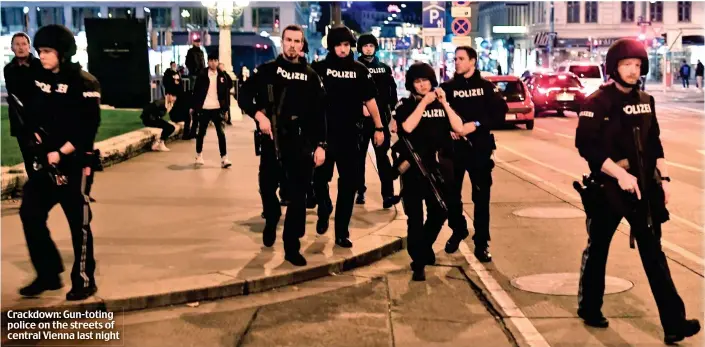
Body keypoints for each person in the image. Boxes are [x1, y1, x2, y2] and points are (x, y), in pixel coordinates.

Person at [575, 38, 700, 344]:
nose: (633, 71)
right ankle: (590, 307)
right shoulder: (597, 102)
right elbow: (586, 147)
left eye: (637, 65)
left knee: (654, 255)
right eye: (626, 65)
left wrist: (665, 179)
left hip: (643, 189)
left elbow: (654, 142)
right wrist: (618, 174)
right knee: (598, 250)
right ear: (613, 67)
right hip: (608, 189)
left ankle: (674, 323)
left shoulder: (646, 99)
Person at [19, 25, 101, 301]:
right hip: (46, 163)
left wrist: (62, 152)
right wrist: (37, 135)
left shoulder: (85, 82)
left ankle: (84, 279)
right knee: (29, 212)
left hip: (76, 163)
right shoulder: (38, 78)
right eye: (40, 51)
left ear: (62, 53)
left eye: (47, 51)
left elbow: (88, 129)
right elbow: (32, 114)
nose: (41, 56)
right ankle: (48, 273)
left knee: (78, 222)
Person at [238, 25, 326, 266]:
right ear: (282, 41)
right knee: (267, 187)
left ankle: (291, 247)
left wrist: (321, 145)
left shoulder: (310, 76)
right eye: (289, 40)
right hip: (271, 139)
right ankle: (272, 216)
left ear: (302, 44)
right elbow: (243, 95)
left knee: (298, 195)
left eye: (297, 41)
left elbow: (319, 114)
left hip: (300, 142)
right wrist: (259, 115)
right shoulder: (267, 71)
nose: (293, 45)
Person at [311, 26, 386, 248]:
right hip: (323, 136)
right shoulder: (319, 69)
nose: (343, 49)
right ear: (331, 46)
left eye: (346, 45)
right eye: (338, 45)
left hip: (351, 135)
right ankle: (324, 208)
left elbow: (371, 100)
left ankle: (341, 232)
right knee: (319, 180)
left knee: (348, 185)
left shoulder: (360, 70)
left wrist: (379, 127)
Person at [392, 62, 468, 281]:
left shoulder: (442, 103)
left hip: (437, 169)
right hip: (414, 168)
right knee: (414, 217)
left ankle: (424, 248)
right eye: (417, 81)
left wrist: (444, 104)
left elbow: (459, 127)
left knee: (440, 210)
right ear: (411, 84)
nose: (422, 84)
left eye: (425, 80)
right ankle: (418, 261)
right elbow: (407, 127)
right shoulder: (405, 104)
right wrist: (423, 103)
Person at [441, 46, 508, 262]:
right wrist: (448, 131)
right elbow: (438, 116)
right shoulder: (447, 88)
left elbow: (499, 114)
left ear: (473, 61)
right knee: (450, 195)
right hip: (453, 150)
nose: (457, 62)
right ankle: (458, 229)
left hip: (479, 149)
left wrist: (476, 125)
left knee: (481, 198)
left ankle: (481, 243)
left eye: (461, 59)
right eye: (455, 58)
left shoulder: (487, 88)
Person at [355, 33, 400, 209]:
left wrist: (394, 115)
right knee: (358, 159)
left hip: (380, 120)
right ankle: (360, 191)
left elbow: (392, 93)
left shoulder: (384, 68)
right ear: (360, 48)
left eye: (371, 46)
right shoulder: (354, 67)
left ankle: (388, 195)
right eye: (365, 46)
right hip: (360, 121)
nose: (368, 48)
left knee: (383, 158)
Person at [4, 32, 43, 177]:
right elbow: (12, 93)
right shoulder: (9, 69)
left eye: (24, 44)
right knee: (27, 154)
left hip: (39, 118)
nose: (20, 47)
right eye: (17, 44)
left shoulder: (39, 66)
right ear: (12, 47)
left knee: (40, 153)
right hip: (19, 118)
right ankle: (35, 188)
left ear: (29, 46)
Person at [191, 52, 232, 168]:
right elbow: (196, 91)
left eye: (215, 60)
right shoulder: (202, 74)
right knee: (201, 133)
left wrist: (226, 110)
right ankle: (199, 155)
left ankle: (224, 158)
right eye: (211, 60)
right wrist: (194, 107)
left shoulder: (222, 75)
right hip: (204, 108)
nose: (213, 63)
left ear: (218, 62)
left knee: (221, 133)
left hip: (217, 108)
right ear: (208, 62)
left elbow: (226, 94)